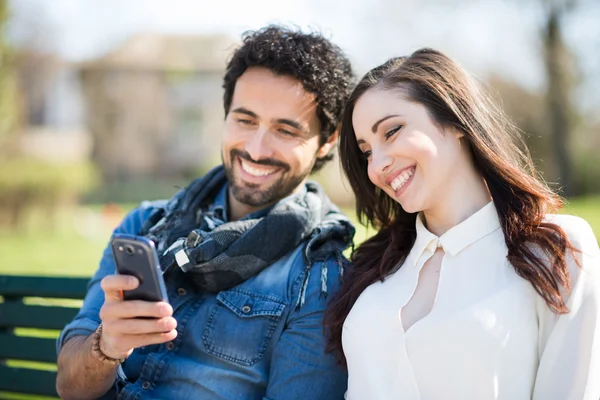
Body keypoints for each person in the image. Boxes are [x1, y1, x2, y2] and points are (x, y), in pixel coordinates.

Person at [56, 25, 355, 400]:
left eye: (285, 130)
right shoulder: (145, 226)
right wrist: (106, 347)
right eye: (245, 120)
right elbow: (70, 387)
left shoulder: (320, 277)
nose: (256, 148)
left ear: (327, 141)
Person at [324, 49, 600, 399]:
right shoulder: (372, 268)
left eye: (391, 132)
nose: (376, 166)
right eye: (366, 151)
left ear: (454, 120)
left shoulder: (554, 251)